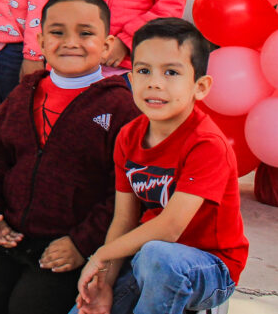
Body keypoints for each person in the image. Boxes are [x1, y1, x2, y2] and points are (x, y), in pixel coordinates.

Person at [0, 0, 141, 314]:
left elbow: (123, 191)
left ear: (108, 44)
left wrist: (82, 244)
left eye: (85, 33)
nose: (70, 42)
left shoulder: (121, 108)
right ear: (40, 42)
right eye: (57, 32)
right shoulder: (22, 96)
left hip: (71, 240)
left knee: (30, 308)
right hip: (15, 234)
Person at [74, 18, 249, 314]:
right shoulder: (128, 136)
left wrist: (100, 255)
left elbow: (169, 229)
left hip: (211, 267)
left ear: (200, 86)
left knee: (158, 256)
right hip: (148, 261)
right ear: (131, 78)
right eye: (143, 71)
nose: (154, 82)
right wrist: (105, 280)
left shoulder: (206, 144)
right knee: (91, 306)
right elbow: (124, 220)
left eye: (171, 72)